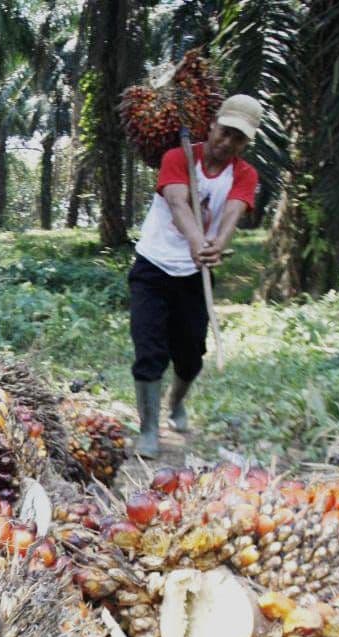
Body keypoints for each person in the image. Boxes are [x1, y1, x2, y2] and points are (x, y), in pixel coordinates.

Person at [129, 94, 261, 458]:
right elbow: (177, 202)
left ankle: (176, 403)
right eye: (224, 131)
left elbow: (233, 213)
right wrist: (195, 240)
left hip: (193, 275)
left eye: (238, 138)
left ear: (246, 143)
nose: (227, 142)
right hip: (152, 266)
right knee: (149, 349)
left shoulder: (245, 175)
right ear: (213, 124)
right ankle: (149, 430)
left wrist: (215, 245)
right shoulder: (178, 157)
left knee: (190, 354)